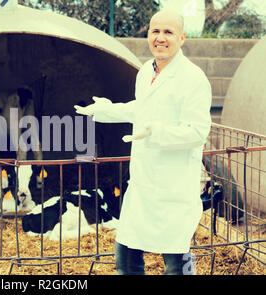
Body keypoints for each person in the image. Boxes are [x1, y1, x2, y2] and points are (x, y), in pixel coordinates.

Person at [74, 9, 212, 275]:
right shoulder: (146, 71)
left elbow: (197, 132)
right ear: (148, 34)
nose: (160, 38)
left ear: (182, 38)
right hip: (142, 184)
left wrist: (155, 131)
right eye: (155, 31)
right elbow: (142, 109)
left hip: (173, 188)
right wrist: (106, 111)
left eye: (168, 32)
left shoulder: (193, 79)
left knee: (175, 262)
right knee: (126, 258)